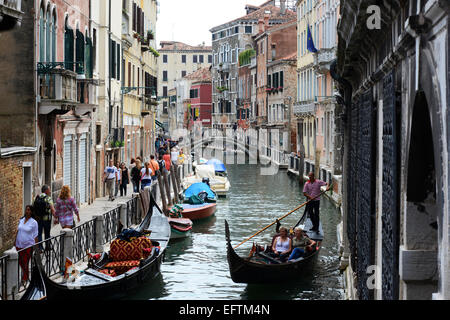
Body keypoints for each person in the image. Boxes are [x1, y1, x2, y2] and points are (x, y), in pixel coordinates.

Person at [15, 205, 38, 285]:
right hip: (19, 244)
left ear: (31, 211)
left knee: (25, 262)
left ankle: (24, 278)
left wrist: (36, 247)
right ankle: (26, 275)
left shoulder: (34, 222)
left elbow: (35, 235)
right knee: (20, 262)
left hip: (28, 246)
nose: (27, 211)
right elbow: (18, 231)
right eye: (26, 209)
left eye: (28, 210)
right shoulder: (21, 220)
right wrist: (14, 242)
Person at [33, 184, 56, 249]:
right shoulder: (48, 198)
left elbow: (33, 207)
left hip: (39, 219)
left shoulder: (37, 197)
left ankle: (40, 248)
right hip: (47, 219)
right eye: (49, 190)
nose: (50, 191)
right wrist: (56, 217)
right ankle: (47, 246)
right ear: (46, 191)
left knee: (39, 233)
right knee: (47, 233)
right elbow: (52, 209)